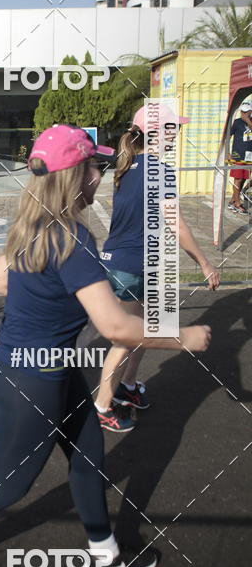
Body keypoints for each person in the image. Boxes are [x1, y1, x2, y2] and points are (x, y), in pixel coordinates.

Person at [0, 125, 212, 567]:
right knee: (6, 485)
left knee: (87, 453)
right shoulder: (73, 238)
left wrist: (50, 304)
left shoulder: (32, 222)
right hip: (33, 380)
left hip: (31, 365)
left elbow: (0, 278)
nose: (100, 176)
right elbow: (116, 327)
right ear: (73, 176)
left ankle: (103, 551)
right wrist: (184, 337)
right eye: (93, 166)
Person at [96, 105, 221, 432]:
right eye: (172, 129)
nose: (175, 135)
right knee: (126, 337)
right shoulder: (160, 172)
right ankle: (102, 405)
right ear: (157, 133)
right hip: (132, 267)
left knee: (149, 328)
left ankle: (128, 386)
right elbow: (176, 224)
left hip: (122, 263)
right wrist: (205, 263)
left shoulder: (124, 168)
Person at [228, 102, 252, 214]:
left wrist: (247, 120)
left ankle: (233, 201)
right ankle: (237, 204)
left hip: (249, 156)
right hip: (238, 155)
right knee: (237, 179)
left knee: (243, 179)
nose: (244, 113)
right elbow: (228, 136)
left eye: (246, 111)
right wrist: (227, 152)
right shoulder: (237, 122)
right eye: (242, 111)